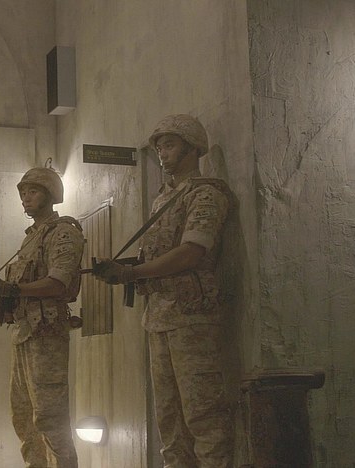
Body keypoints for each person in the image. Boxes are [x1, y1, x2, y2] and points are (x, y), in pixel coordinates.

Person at [92, 114, 233, 467]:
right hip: (159, 317)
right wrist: (126, 268)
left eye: (169, 145)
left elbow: (191, 252)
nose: (162, 153)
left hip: (192, 319)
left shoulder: (206, 194)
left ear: (192, 148)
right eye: (159, 148)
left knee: (204, 416)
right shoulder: (163, 200)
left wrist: (132, 273)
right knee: (169, 421)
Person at [0, 167, 85, 468]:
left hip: (47, 335)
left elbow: (59, 282)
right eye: (23, 192)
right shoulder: (31, 239)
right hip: (25, 333)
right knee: (24, 416)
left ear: (50, 195)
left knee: (50, 418)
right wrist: (1, 289)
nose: (26, 197)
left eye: (33, 191)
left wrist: (14, 288)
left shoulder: (63, 232)